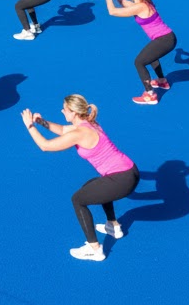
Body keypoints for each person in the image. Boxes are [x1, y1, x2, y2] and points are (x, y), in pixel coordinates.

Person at [20, 93, 139, 262]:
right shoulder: (88, 123)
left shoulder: (80, 132)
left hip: (122, 179)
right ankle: (113, 226)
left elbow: (45, 146)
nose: (62, 111)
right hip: (130, 170)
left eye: (64, 109)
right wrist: (42, 122)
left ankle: (95, 249)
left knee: (78, 199)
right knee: (92, 185)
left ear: (73, 113)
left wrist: (29, 126)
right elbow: (62, 130)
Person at [102, 0, 177, 105]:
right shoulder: (142, 2)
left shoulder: (141, 6)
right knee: (152, 57)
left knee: (139, 62)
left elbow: (113, 12)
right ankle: (162, 81)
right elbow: (128, 5)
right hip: (166, 38)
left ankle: (150, 95)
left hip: (165, 40)